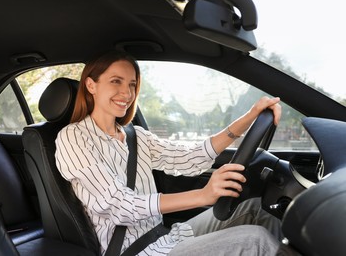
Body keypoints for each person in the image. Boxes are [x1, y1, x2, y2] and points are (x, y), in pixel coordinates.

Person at [55, 50, 283, 256]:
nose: (127, 93)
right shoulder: (73, 137)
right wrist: (203, 195)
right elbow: (119, 206)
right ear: (91, 85)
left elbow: (190, 157)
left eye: (132, 85)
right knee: (257, 241)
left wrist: (250, 117)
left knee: (254, 208)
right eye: (116, 81)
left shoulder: (136, 136)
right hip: (134, 252)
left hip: (165, 237)